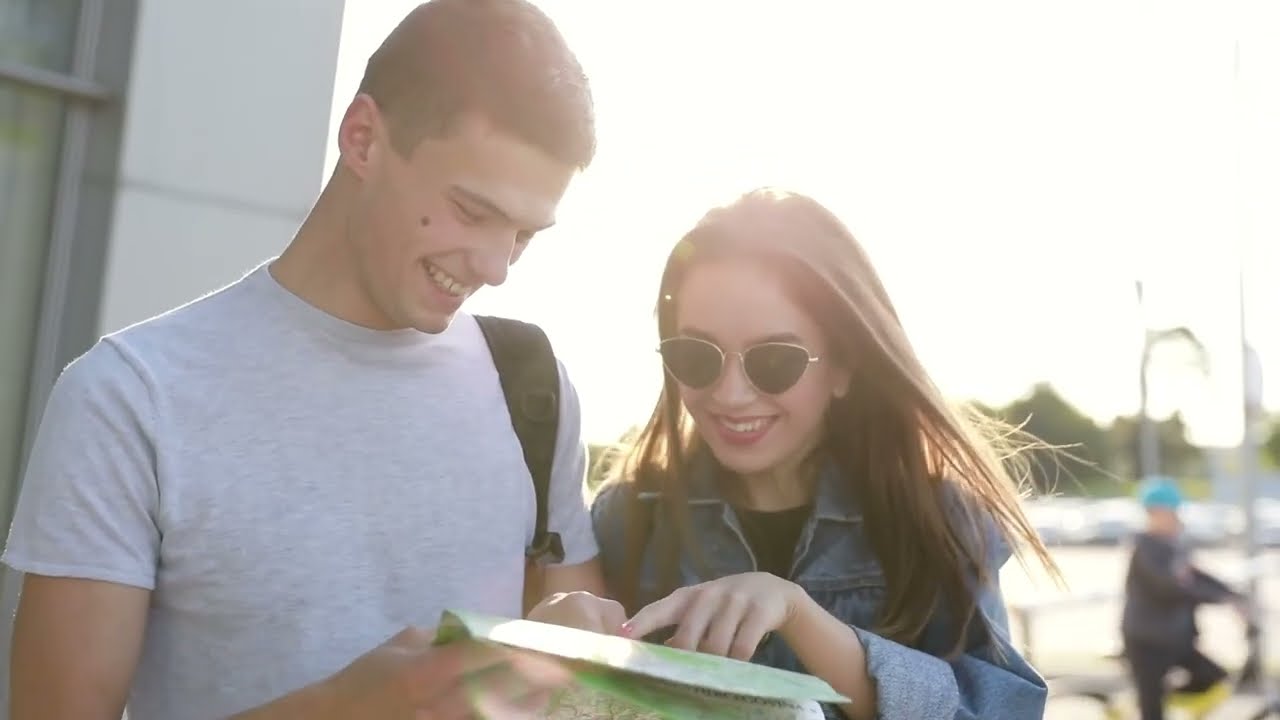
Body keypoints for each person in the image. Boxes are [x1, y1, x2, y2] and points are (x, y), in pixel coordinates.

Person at [2, 2, 625, 719]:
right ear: (362, 138)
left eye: (523, 234)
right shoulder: (131, 400)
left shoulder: (533, 389)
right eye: (472, 210)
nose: (495, 266)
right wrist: (340, 708)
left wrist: (584, 658)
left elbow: (578, 700)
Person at [590, 188, 1062, 719]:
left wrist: (798, 616)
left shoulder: (937, 518)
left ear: (843, 365)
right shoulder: (627, 518)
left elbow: (1000, 712)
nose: (730, 393)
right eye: (695, 356)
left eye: (773, 360)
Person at [1120, 477, 1243, 720]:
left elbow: (1195, 575)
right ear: (1152, 513)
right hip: (1147, 641)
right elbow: (1170, 588)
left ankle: (1162, 702)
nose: (1175, 517)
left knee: (1213, 676)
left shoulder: (1174, 544)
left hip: (1176, 638)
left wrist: (1232, 594)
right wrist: (1218, 599)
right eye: (1169, 511)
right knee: (1152, 710)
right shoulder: (1145, 547)